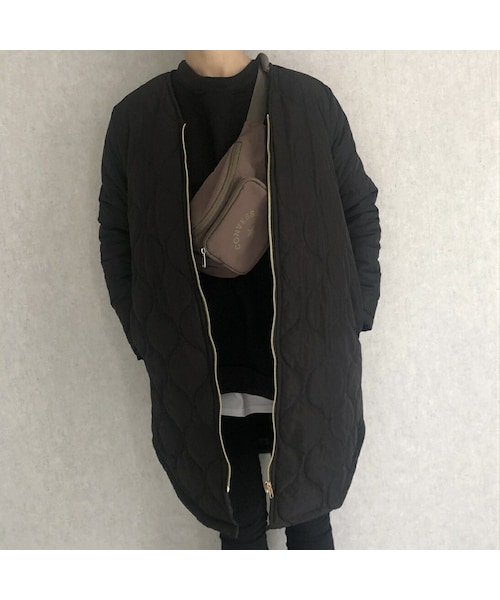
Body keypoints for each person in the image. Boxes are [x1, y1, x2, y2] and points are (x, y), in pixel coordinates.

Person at [98, 50, 381, 550]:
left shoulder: (308, 102)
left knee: (312, 525)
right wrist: (146, 336)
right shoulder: (136, 119)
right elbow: (117, 239)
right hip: (199, 377)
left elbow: (358, 209)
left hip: (307, 364)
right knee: (239, 533)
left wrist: (354, 316)